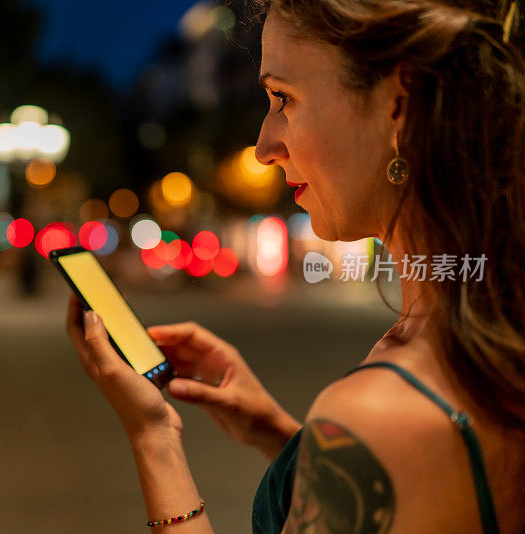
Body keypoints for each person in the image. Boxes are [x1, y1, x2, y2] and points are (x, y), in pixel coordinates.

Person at [65, 0, 525, 532]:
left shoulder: (392, 407)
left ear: (401, 101)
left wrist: (154, 437)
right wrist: (282, 438)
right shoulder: (481, 321)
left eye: (283, 98)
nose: (263, 146)